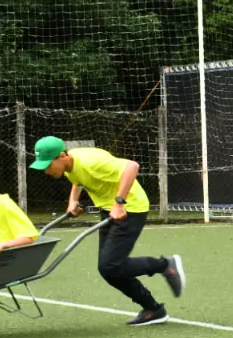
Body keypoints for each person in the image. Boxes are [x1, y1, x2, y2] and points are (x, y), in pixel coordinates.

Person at [30, 136, 184, 326]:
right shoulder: (69, 165)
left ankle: (165, 265)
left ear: (62, 156)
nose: (46, 171)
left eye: (48, 165)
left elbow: (132, 167)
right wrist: (73, 201)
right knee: (109, 270)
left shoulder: (91, 162)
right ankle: (153, 309)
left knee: (110, 266)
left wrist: (119, 202)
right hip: (108, 210)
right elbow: (78, 180)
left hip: (130, 209)